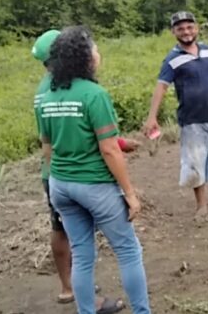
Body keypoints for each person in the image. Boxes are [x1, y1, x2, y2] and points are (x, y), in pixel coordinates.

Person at [39, 26, 150, 314]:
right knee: (128, 250)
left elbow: (47, 148)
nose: (98, 54)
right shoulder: (94, 95)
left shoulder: (48, 97)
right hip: (94, 185)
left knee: (82, 255)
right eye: (95, 49)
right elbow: (109, 149)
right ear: (85, 57)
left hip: (61, 185)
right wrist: (129, 193)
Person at [142, 11, 208, 218]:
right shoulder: (172, 60)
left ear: (196, 28)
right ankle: (201, 207)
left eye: (190, 27)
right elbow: (161, 87)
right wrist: (152, 117)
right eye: (180, 29)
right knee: (195, 162)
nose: (186, 32)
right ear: (173, 32)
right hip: (191, 121)